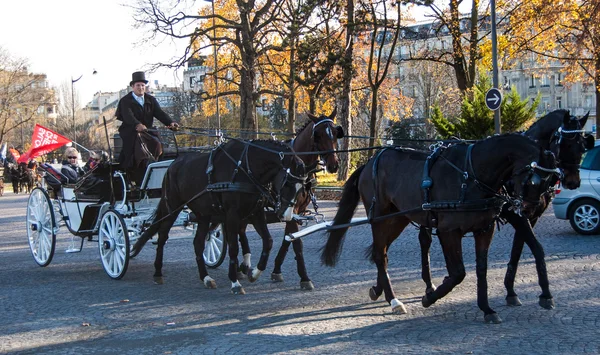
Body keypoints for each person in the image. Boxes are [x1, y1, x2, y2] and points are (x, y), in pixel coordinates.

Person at [115, 71, 179, 186]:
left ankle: (155, 166)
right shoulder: (125, 101)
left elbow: (159, 113)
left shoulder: (151, 100)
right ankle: (138, 174)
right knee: (139, 150)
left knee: (157, 144)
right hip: (131, 132)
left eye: (142, 85)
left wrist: (171, 123)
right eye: (138, 85)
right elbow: (128, 116)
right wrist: (137, 125)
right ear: (133, 87)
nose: (140, 88)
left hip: (148, 131)